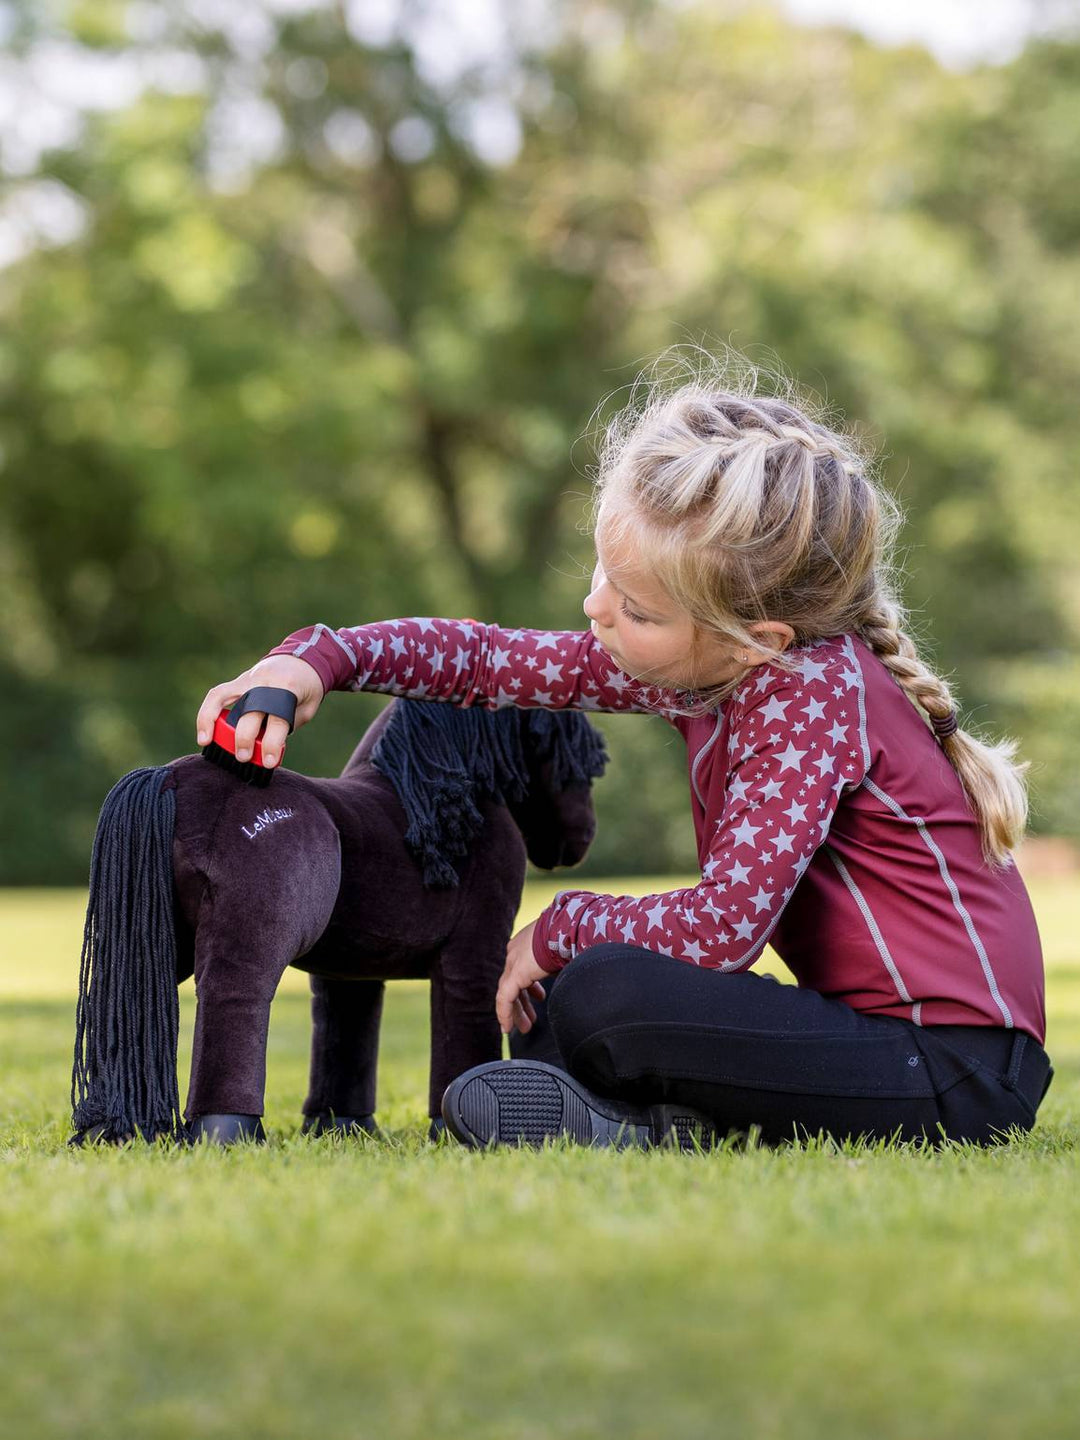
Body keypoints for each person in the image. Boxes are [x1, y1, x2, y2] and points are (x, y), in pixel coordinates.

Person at [195, 351, 1053, 1151]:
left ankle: (636, 1113)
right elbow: (491, 662)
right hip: (872, 1044)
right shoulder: (714, 666)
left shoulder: (809, 693)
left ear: (759, 637)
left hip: (960, 1072)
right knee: (556, 1002)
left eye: (637, 610)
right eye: (604, 575)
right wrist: (317, 659)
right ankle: (643, 1119)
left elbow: (723, 932)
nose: (596, 608)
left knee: (605, 989)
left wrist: (561, 925)